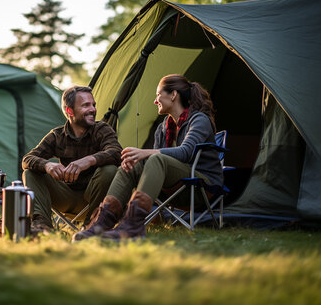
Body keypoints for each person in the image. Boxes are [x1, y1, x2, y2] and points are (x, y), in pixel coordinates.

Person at [73, 74, 223, 241]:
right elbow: (154, 165)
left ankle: (133, 225)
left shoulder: (198, 119)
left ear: (173, 95)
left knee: (155, 158)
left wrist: (144, 152)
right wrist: (136, 159)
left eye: (158, 95)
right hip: (172, 186)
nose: (155, 100)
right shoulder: (163, 128)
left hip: (201, 185)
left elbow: (185, 152)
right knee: (130, 165)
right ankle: (101, 223)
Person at [22, 86, 122, 234]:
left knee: (109, 170)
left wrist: (89, 160)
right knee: (30, 172)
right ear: (70, 111)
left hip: (94, 196)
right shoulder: (57, 136)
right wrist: (47, 165)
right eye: (85, 105)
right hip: (66, 195)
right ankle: (42, 226)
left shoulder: (102, 129)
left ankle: (92, 225)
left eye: (93, 104)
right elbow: (27, 159)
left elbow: (117, 153)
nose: (93, 109)